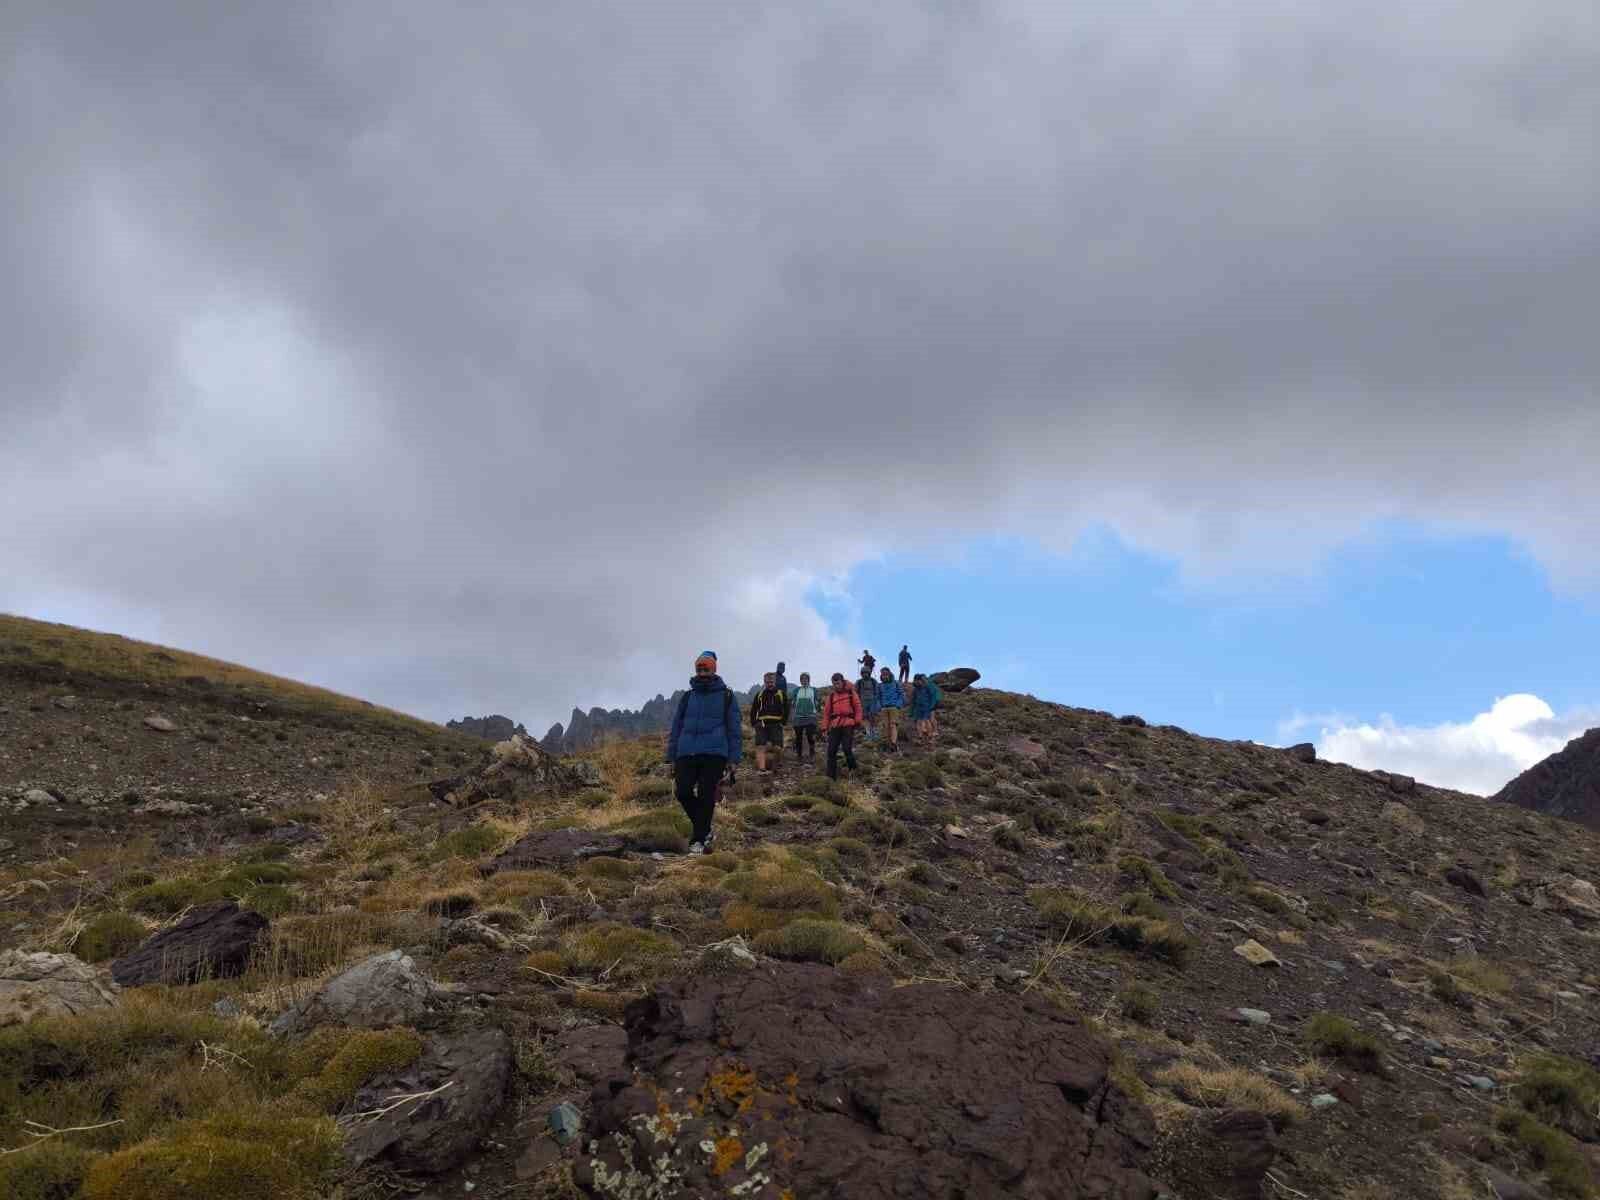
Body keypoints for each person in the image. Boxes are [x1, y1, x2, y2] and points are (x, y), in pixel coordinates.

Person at [666, 650, 742, 854]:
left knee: (706, 794)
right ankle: (706, 829)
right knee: (682, 792)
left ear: (713, 669)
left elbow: (734, 729)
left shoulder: (726, 696)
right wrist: (671, 756)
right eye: (699, 668)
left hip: (715, 752)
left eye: (705, 668)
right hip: (686, 752)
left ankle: (698, 840)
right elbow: (677, 726)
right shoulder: (688, 696)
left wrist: (734, 759)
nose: (701, 672)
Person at [820, 672, 863, 779]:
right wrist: (824, 727)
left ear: (842, 682)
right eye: (834, 684)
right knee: (831, 751)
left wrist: (857, 721)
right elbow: (826, 713)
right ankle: (831, 777)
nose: (836, 686)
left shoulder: (851, 693)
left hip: (848, 723)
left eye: (838, 683)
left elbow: (858, 707)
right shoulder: (831, 696)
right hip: (835, 725)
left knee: (847, 748)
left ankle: (853, 770)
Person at [749, 671, 790, 773]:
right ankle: (762, 769)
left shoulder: (781, 694)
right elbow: (754, 709)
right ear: (764, 682)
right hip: (761, 724)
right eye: (767, 682)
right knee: (760, 746)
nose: (769, 684)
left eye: (771, 682)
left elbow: (787, 708)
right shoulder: (759, 694)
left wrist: (783, 722)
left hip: (776, 724)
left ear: (775, 681)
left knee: (778, 748)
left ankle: (775, 766)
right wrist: (754, 722)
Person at [790, 671, 819, 763]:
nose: (804, 681)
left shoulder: (814, 690)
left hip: (811, 716)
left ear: (809, 680)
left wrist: (817, 711)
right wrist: (792, 716)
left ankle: (812, 753)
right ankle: (799, 755)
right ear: (800, 681)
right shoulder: (796, 690)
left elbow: (817, 702)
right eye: (802, 679)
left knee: (810, 736)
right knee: (798, 737)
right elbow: (793, 703)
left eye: (806, 679)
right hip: (798, 717)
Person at [876, 666, 905, 752]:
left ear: (889, 674)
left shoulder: (896, 683)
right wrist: (879, 706)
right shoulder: (880, 686)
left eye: (886, 674)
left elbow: (901, 694)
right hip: (884, 708)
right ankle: (888, 744)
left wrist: (898, 705)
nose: (884, 676)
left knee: (893, 725)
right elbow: (877, 697)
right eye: (883, 675)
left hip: (893, 707)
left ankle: (893, 743)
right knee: (886, 726)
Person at [909, 672, 941, 746]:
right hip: (918, 708)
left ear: (921, 680)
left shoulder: (927, 687)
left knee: (927, 720)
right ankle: (920, 737)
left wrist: (932, 706)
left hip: (926, 707)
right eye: (915, 680)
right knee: (918, 722)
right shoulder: (915, 690)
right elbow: (913, 701)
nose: (917, 682)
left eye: (918, 680)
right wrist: (911, 711)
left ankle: (930, 736)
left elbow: (933, 696)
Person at [856, 667, 881, 740]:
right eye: (863, 673)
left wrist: (877, 701)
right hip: (862, 702)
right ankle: (868, 733)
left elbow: (877, 692)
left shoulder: (873, 681)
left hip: (873, 701)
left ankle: (874, 732)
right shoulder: (859, 682)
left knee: (873, 717)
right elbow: (856, 693)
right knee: (865, 717)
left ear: (869, 673)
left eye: (866, 673)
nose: (865, 674)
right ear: (861, 674)